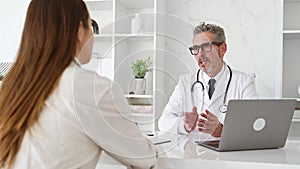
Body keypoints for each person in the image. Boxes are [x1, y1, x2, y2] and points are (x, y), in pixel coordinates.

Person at [0, 0, 157, 168]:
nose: (92, 35)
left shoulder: (9, 87)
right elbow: (145, 159)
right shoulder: (94, 89)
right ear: (78, 31)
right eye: (90, 26)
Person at [158, 22, 257, 139]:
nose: (200, 54)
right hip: (193, 154)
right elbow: (163, 122)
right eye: (196, 49)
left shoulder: (243, 82)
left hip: (226, 155)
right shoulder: (185, 82)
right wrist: (184, 124)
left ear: (223, 49)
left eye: (206, 47)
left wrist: (223, 130)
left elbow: (253, 125)